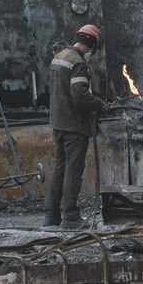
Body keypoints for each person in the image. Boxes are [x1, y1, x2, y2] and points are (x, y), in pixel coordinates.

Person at [44, 23, 107, 230]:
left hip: (58, 123)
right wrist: (99, 104)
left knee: (59, 167)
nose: (93, 54)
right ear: (91, 46)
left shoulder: (59, 57)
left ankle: (51, 217)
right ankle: (70, 216)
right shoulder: (78, 63)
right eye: (94, 51)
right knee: (73, 170)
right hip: (73, 125)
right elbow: (79, 94)